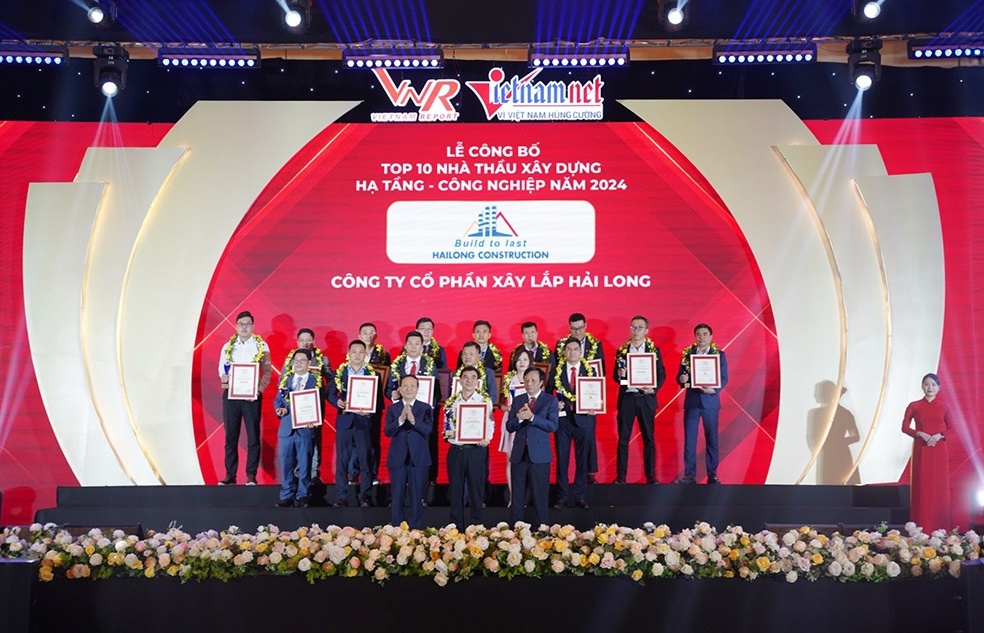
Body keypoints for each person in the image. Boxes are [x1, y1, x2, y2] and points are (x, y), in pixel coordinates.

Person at [218, 310, 272, 485]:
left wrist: (258, 390)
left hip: (252, 397)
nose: (244, 327)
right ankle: (230, 475)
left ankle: (251, 475)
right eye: (241, 324)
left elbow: (267, 372)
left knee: (253, 437)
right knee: (230, 437)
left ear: (253, 326)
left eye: (248, 324)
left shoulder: (261, 346)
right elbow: (222, 369)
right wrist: (223, 377)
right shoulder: (228, 346)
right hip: (231, 395)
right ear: (236, 326)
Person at [613, 316, 666, 484]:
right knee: (623, 439)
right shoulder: (622, 350)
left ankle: (651, 476)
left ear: (646, 331)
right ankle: (621, 477)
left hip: (646, 399)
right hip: (627, 398)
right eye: (633, 327)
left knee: (649, 439)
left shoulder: (653, 350)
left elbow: (661, 374)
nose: (636, 330)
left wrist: (653, 389)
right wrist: (620, 374)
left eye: (640, 327)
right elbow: (615, 376)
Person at [555, 312, 604, 484]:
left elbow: (600, 376)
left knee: (586, 447)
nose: (577, 331)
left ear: (585, 326)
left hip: (586, 408)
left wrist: (595, 403)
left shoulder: (595, 345)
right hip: (564, 414)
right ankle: (562, 491)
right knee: (562, 457)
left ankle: (587, 478)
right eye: (574, 329)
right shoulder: (561, 345)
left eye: (580, 328)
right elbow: (554, 379)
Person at [676, 323, 728, 484]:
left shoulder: (719, 355)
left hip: (710, 401)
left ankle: (712, 475)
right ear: (695, 336)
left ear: (711, 337)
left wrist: (714, 389)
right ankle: (689, 475)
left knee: (712, 439)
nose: (701, 337)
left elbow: (724, 377)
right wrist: (682, 379)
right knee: (690, 440)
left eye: (705, 334)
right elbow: (680, 377)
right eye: (698, 334)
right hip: (692, 401)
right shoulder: (688, 354)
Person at [278, 328, 333, 483]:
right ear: (297, 342)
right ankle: (297, 473)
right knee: (295, 438)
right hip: (293, 407)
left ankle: (313, 472)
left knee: (313, 437)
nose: (305, 343)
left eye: (308, 340)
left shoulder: (323, 359)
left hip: (314, 407)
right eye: (302, 340)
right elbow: (281, 381)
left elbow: (331, 380)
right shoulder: (291, 360)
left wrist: (321, 394)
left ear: (313, 341)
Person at [328, 340, 378, 508]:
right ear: (348, 354)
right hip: (345, 421)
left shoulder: (373, 374)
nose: (357, 355)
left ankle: (365, 496)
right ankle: (341, 497)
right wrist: (338, 402)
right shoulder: (339, 373)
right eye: (354, 352)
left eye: (360, 352)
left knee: (365, 461)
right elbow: (330, 395)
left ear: (366, 354)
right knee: (342, 461)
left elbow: (377, 399)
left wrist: (369, 411)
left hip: (363, 422)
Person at [506, 367, 558, 527]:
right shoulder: (518, 400)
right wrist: (520, 419)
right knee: (517, 497)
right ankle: (516, 530)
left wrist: (532, 417)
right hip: (519, 454)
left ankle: (542, 530)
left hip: (539, 455)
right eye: (526, 380)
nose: (529, 383)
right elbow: (509, 426)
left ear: (541, 383)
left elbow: (552, 426)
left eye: (533, 380)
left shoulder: (550, 400)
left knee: (540, 496)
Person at [443, 366, 495, 527]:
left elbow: (490, 423)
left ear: (478, 381)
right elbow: (447, 425)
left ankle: (476, 527)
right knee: (455, 491)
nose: (469, 380)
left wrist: (486, 438)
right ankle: (455, 527)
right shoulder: (452, 401)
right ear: (460, 380)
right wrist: (448, 433)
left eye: (473, 377)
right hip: (456, 450)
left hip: (476, 450)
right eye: (465, 377)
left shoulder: (484, 400)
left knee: (476, 490)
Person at [901, 373, 952, 531]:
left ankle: (940, 528)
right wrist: (920, 434)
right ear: (922, 386)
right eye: (927, 384)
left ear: (939, 388)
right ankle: (920, 526)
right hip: (921, 448)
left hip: (938, 449)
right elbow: (905, 427)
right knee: (922, 484)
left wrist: (939, 435)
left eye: (933, 385)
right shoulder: (914, 406)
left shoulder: (944, 407)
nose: (930, 387)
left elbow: (953, 428)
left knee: (939, 485)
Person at [389, 330, 440, 487]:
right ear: (405, 345)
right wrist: (393, 395)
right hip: (400, 412)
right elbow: (388, 388)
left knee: (422, 449)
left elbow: (436, 390)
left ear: (422, 346)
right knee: (400, 448)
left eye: (417, 344)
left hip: (422, 413)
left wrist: (428, 408)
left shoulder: (430, 364)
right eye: (410, 343)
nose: (413, 346)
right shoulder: (397, 364)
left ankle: (425, 482)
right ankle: (401, 482)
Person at [551, 338, 596, 509]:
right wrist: (554, 404)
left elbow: (596, 393)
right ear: (564, 352)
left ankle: (580, 496)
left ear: (581, 351)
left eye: (575, 349)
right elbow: (547, 392)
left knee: (582, 460)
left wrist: (594, 405)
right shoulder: (557, 370)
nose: (572, 352)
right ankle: (561, 497)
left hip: (583, 419)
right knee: (562, 459)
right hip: (562, 420)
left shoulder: (590, 370)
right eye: (569, 349)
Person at [385, 375, 434, 529]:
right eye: (405, 386)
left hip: (419, 458)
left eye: (412, 386)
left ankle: (415, 530)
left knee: (416, 496)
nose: (409, 389)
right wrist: (400, 420)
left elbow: (428, 430)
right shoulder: (393, 408)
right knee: (397, 496)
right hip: (397, 458)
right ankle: (397, 531)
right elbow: (387, 431)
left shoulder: (425, 408)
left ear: (418, 389)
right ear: (399, 389)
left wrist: (413, 420)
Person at [274, 349, 320, 507]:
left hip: (305, 428)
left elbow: (318, 404)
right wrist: (279, 409)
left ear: (309, 363)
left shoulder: (315, 381)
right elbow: (278, 400)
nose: (299, 363)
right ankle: (286, 495)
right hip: (287, 428)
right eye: (296, 360)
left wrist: (315, 419)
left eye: (302, 360)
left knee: (305, 464)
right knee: (286, 464)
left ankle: (303, 495)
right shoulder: (286, 380)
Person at [349, 322, 389, 486]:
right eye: (365, 332)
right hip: (354, 405)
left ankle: (372, 474)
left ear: (376, 336)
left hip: (374, 404)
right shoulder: (353, 353)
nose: (368, 335)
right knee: (354, 440)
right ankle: (353, 473)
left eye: (372, 332)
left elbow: (386, 380)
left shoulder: (383, 355)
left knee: (372, 440)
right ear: (359, 336)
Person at [499, 349, 535, 506]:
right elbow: (500, 402)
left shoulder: (533, 379)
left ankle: (527, 497)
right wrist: (505, 408)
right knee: (511, 461)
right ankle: (514, 497)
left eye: (525, 359)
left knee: (529, 461)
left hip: (529, 422)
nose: (522, 362)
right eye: (519, 359)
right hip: (512, 421)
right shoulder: (508, 379)